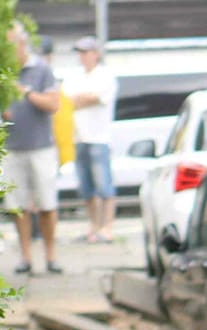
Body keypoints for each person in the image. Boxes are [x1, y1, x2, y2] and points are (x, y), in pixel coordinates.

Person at [2, 22, 61, 274]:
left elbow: (53, 104)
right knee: (18, 205)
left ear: (22, 42)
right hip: (12, 147)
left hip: (40, 147)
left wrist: (26, 93)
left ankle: (50, 256)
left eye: (10, 43)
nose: (7, 48)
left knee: (47, 204)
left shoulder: (42, 69)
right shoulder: (2, 70)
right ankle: (25, 257)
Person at [65, 35, 118, 245]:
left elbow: (94, 97)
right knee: (86, 187)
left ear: (96, 54)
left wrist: (80, 99)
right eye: (80, 53)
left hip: (99, 138)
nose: (82, 57)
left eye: (86, 52)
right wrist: (82, 99)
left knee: (104, 185)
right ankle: (94, 227)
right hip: (78, 137)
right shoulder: (74, 76)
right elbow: (68, 100)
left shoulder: (105, 76)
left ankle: (108, 227)